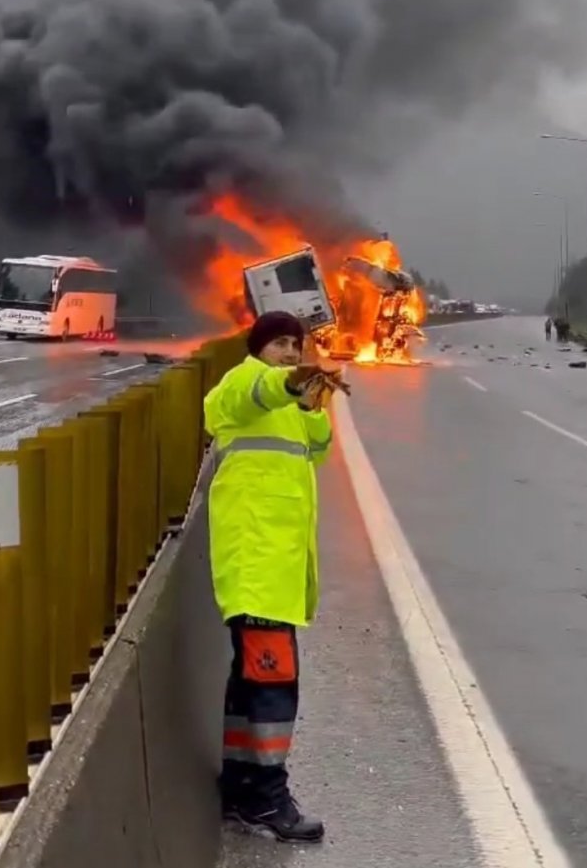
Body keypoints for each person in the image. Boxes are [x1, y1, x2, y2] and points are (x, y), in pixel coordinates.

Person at [202, 311, 346, 843]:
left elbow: (321, 448)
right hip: (257, 566)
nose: (290, 352)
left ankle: (241, 788)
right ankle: (267, 797)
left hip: (277, 569)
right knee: (273, 688)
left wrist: (310, 404)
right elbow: (250, 395)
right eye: (281, 344)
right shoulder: (243, 381)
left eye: (296, 345)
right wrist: (286, 383)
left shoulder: (290, 405)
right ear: (259, 348)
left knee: (252, 685)